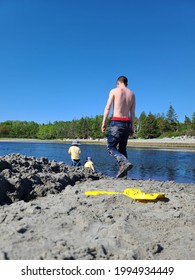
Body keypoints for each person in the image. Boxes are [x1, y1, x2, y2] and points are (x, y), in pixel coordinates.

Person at [101, 76, 135, 178]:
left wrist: (104, 122)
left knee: (111, 146)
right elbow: (132, 113)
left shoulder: (114, 91)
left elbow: (107, 108)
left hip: (117, 122)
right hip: (127, 123)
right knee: (122, 149)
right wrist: (132, 127)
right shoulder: (132, 94)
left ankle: (124, 162)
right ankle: (124, 174)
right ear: (126, 84)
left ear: (118, 82)